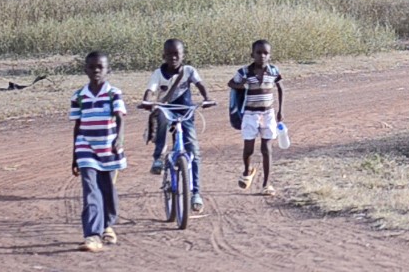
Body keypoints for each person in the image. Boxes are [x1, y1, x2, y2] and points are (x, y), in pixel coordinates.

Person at [140, 39, 212, 212]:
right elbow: (150, 90)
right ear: (163, 55)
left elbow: (200, 85)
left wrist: (207, 99)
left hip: (185, 112)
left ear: (182, 56)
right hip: (166, 110)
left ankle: (195, 193)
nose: (173, 57)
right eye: (169, 54)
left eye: (176, 54)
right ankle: (159, 157)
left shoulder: (189, 71)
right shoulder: (158, 73)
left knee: (193, 150)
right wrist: (148, 102)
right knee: (162, 121)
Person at [69, 51, 127, 253]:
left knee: (107, 191)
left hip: (108, 148)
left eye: (100, 67)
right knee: (91, 191)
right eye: (91, 67)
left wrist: (118, 140)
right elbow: (77, 126)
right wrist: (75, 155)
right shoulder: (79, 96)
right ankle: (92, 235)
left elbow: (120, 118)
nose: (96, 71)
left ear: (107, 70)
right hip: (86, 149)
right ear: (85, 69)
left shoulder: (113, 93)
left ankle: (107, 225)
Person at [228, 40, 285, 196]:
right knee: (248, 149)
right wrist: (242, 85)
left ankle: (267, 184)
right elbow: (231, 83)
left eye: (265, 53)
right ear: (252, 54)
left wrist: (280, 110)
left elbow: (280, 88)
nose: (262, 56)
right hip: (250, 114)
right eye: (258, 53)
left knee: (267, 149)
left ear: (270, 55)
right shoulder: (244, 72)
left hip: (268, 114)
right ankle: (247, 170)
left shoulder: (273, 71)